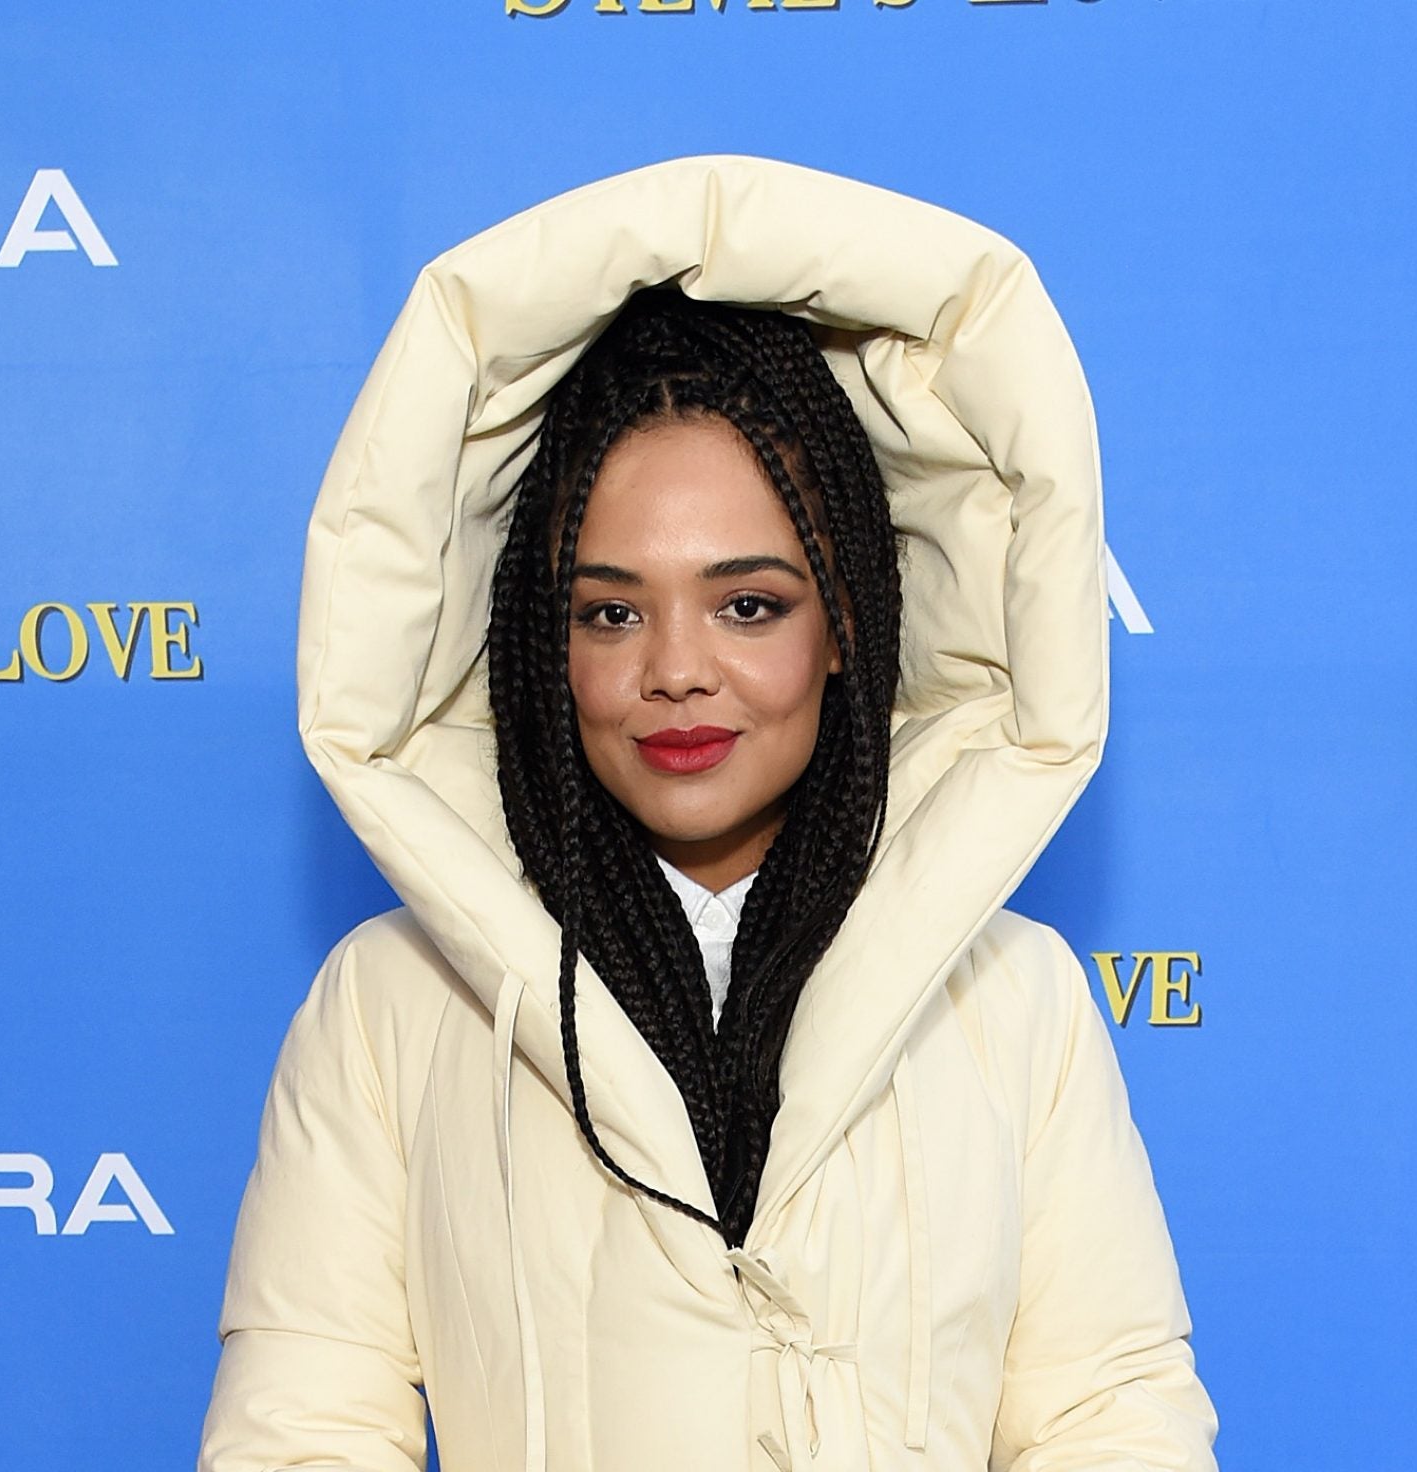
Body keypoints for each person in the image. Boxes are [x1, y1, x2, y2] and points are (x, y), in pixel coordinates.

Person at [199, 155, 1219, 1471]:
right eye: (609, 611)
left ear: (845, 624)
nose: (676, 669)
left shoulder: (1019, 1000)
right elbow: (305, 1427)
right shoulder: (389, 1004)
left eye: (748, 603)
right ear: (539, 643)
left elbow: (1108, 1418)